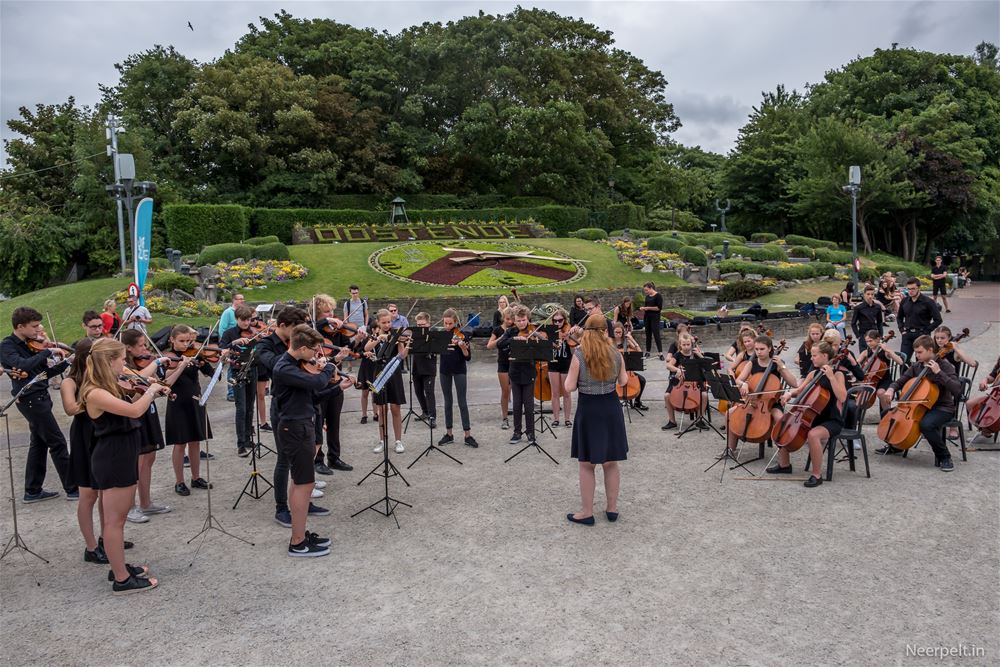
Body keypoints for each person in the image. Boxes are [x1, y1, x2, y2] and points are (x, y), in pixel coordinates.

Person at [80, 337, 169, 593]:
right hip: (113, 457)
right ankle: (122, 579)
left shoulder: (110, 385)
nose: (124, 364)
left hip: (120, 454)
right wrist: (151, 391)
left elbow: (130, 400)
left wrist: (145, 386)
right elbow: (133, 412)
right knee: (115, 521)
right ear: (109, 361)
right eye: (121, 359)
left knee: (115, 519)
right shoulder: (95, 391)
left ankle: (119, 566)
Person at [272, 325, 352, 557]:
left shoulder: (294, 366)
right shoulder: (284, 367)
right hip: (294, 428)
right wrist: (330, 367)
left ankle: (301, 533)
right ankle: (297, 542)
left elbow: (313, 395)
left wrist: (337, 387)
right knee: (303, 483)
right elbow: (316, 383)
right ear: (303, 348)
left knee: (302, 482)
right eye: (315, 350)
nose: (317, 354)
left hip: (302, 423)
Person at [256, 307, 329, 527]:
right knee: (284, 459)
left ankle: (303, 502)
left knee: (308, 454)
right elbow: (276, 365)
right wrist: (302, 356)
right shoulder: (265, 345)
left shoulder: (300, 350)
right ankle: (281, 508)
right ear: (284, 326)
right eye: (296, 329)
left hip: (305, 402)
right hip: (285, 410)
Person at [1, 306, 76, 502]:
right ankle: (73, 488)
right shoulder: (7, 346)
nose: (38, 332)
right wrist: (48, 350)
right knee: (57, 442)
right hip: (29, 399)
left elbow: (44, 373)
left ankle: (32, 490)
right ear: (20, 326)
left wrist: (67, 362)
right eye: (34, 327)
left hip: (41, 396)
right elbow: (23, 365)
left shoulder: (30, 345)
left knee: (39, 443)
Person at [563, 311, 629, 525]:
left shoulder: (580, 355)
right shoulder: (616, 353)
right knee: (611, 462)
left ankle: (587, 512)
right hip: (610, 407)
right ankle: (612, 508)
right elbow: (624, 381)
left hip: (589, 409)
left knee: (587, 464)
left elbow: (569, 386)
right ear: (605, 331)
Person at [769, 341, 847, 487]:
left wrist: (831, 377)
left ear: (825, 355)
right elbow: (799, 391)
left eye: (814, 355)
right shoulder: (813, 373)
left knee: (813, 435)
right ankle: (784, 465)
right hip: (810, 417)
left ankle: (817, 475)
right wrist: (788, 394)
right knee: (784, 425)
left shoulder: (838, 374)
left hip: (830, 420)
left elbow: (842, 397)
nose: (811, 358)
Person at [878, 335, 962, 471]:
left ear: (930, 350)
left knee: (926, 425)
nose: (916, 356)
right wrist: (891, 389)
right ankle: (895, 445)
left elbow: (957, 389)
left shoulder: (945, 366)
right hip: (919, 407)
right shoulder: (917, 366)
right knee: (887, 414)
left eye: (919, 352)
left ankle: (944, 457)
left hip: (942, 408)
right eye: (915, 352)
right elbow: (901, 381)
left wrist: (939, 373)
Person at [120, 329, 178, 524]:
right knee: (136, 463)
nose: (146, 349)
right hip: (135, 413)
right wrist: (156, 363)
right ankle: (129, 507)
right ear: (128, 348)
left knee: (149, 459)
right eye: (141, 346)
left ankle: (146, 502)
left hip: (148, 410)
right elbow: (138, 379)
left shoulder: (140, 361)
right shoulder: (123, 365)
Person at [59, 340, 107, 563]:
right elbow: (70, 409)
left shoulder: (102, 378)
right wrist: (92, 397)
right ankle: (90, 547)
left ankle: (107, 538)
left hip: (105, 433)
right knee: (89, 495)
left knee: (107, 493)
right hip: (84, 436)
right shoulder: (70, 381)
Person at [724, 335, 799, 455]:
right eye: (756, 349)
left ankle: (783, 458)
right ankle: (730, 449)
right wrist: (744, 384)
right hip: (752, 400)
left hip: (771, 403)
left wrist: (782, 367)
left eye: (762, 349)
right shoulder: (751, 363)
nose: (758, 352)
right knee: (729, 413)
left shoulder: (777, 364)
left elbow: (794, 383)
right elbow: (738, 380)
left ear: (769, 349)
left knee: (780, 419)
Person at [163, 325, 215, 496]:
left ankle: (196, 477)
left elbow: (211, 373)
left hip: (195, 400)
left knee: (195, 441)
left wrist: (210, 361)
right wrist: (181, 365)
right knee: (180, 444)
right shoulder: (168, 358)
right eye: (181, 341)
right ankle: (179, 481)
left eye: (188, 341)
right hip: (178, 403)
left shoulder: (194, 353)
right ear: (172, 340)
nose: (186, 345)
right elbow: (166, 382)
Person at [311, 295, 354, 474]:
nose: (332, 315)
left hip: (336, 380)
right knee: (318, 423)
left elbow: (349, 346)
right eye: (327, 312)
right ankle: (317, 459)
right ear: (318, 314)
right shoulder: (311, 330)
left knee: (334, 421)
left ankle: (334, 457)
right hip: (319, 381)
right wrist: (334, 358)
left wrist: (357, 339)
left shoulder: (337, 330)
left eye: (332, 311)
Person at [498, 305, 546, 446]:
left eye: (524, 320)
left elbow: (543, 345)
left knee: (529, 404)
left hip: (529, 370)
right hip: (514, 371)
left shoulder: (533, 331)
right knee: (517, 404)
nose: (521, 323)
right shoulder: (511, 331)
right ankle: (517, 432)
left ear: (527, 319)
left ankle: (530, 432)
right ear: (514, 320)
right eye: (518, 320)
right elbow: (500, 344)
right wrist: (514, 340)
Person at [365, 309, 409, 454]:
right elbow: (366, 348)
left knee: (395, 408)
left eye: (389, 322)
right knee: (382, 409)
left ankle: (398, 441)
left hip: (394, 371)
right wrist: (379, 338)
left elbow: (403, 356)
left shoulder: (397, 333)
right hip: (379, 372)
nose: (387, 325)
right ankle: (382, 440)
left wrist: (402, 343)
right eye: (384, 322)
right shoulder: (376, 334)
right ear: (378, 322)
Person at [219, 305, 259, 458]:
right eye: (243, 320)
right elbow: (222, 350)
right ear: (237, 319)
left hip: (252, 370)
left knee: (250, 406)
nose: (246, 323)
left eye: (249, 320)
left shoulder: (253, 333)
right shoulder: (230, 333)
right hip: (237, 371)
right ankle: (241, 444)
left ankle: (248, 438)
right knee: (241, 408)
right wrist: (234, 342)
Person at [437, 308, 479, 448]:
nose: (448, 326)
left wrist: (462, 347)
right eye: (445, 323)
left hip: (459, 369)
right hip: (444, 370)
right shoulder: (442, 335)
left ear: (455, 322)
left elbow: (468, 357)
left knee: (462, 402)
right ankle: (449, 434)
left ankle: (467, 435)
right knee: (447, 401)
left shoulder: (463, 335)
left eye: (450, 324)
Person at [663, 332, 707, 430]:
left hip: (695, 381)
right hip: (679, 380)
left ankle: (700, 419)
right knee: (667, 396)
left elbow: (706, 365)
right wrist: (677, 369)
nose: (686, 347)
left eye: (688, 345)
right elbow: (668, 365)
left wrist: (699, 355)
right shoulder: (678, 354)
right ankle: (672, 421)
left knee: (704, 395)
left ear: (691, 344)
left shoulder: (695, 353)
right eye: (684, 345)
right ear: (680, 345)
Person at [857, 330, 905, 415]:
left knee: (881, 393)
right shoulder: (866, 352)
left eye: (870, 341)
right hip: (869, 381)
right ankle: (856, 417)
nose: (868, 343)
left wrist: (888, 350)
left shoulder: (885, 352)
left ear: (878, 339)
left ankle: (886, 416)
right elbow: (856, 365)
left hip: (884, 380)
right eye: (867, 341)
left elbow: (900, 362)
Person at [898, 277, 943, 360]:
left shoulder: (928, 302)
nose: (910, 291)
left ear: (919, 288)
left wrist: (926, 331)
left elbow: (938, 320)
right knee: (903, 361)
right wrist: (902, 330)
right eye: (908, 289)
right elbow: (899, 317)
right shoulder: (904, 301)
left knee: (921, 362)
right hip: (907, 335)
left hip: (922, 335)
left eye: (913, 289)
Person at [487, 306, 514, 430]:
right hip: (503, 363)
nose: (510, 321)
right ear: (503, 318)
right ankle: (504, 418)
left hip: (515, 362)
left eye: (512, 319)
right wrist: (502, 337)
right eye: (507, 319)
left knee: (517, 391)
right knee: (505, 391)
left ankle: (518, 416)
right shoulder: (498, 330)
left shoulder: (515, 329)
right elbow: (489, 345)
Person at [410, 312, 438, 429]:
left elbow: (438, 349)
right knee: (418, 391)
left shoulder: (433, 335)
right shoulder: (414, 335)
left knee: (429, 392)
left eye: (423, 325)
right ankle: (425, 411)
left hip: (429, 368)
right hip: (417, 366)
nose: (420, 327)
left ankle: (432, 417)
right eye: (418, 325)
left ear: (428, 323)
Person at [613, 321, 647, 410]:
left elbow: (639, 352)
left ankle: (637, 401)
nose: (618, 334)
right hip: (614, 371)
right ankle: (615, 402)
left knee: (642, 380)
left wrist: (632, 339)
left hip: (628, 370)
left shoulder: (626, 341)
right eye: (616, 332)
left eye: (620, 332)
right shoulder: (610, 342)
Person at [219, 294, 245, 401]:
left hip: (241, 343)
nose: (242, 301)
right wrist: (226, 345)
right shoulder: (228, 312)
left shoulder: (242, 312)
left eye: (243, 299)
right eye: (240, 299)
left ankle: (239, 390)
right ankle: (231, 393)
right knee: (232, 368)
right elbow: (222, 329)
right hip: (231, 343)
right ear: (234, 300)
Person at [967, 356, 999, 441]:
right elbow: (992, 376)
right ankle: (986, 432)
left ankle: (987, 430)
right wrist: (985, 380)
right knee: (970, 404)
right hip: (996, 397)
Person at [850, 285, 884, 353]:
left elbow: (879, 321)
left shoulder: (877, 307)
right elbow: (853, 323)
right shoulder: (858, 308)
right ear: (864, 295)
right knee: (864, 356)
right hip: (863, 335)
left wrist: (880, 334)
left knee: (876, 356)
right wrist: (858, 336)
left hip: (874, 334)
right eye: (868, 294)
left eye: (872, 294)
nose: (870, 296)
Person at [639, 282, 664, 359]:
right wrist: (643, 309)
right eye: (645, 290)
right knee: (648, 335)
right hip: (647, 317)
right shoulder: (647, 297)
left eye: (646, 290)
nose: (645, 292)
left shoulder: (658, 296)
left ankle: (660, 353)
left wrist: (647, 308)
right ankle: (648, 352)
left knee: (656, 335)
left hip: (655, 318)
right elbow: (646, 307)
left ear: (651, 288)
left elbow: (658, 308)